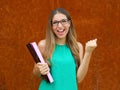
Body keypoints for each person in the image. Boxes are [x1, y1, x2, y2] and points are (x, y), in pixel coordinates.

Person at [33, 8, 97, 90]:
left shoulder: (77, 47)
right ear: (51, 26)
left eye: (63, 21)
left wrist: (88, 53)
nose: (60, 26)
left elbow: (79, 78)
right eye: (55, 22)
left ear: (69, 23)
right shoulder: (43, 45)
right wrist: (39, 69)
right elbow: (36, 73)